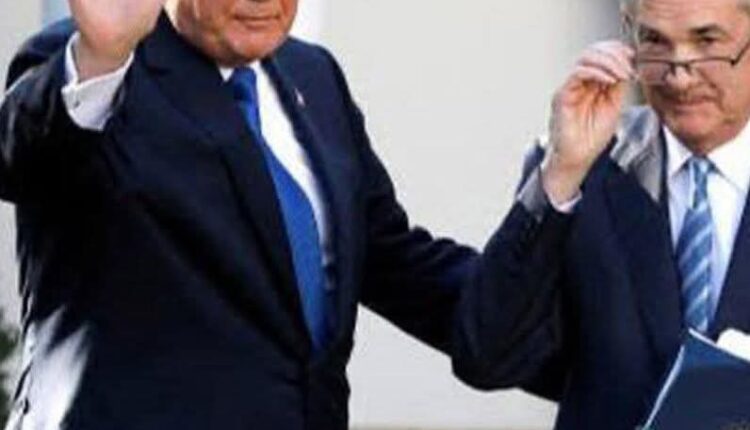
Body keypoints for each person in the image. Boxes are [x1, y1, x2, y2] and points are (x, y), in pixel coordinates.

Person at [0, 0, 551, 429]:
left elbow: (401, 267)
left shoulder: (314, 76)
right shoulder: (96, 64)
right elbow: (22, 159)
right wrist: (99, 59)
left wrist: (555, 189)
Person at [456, 0, 750, 428]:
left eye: (706, 41)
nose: (679, 76)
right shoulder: (586, 167)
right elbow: (487, 355)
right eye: (654, 42)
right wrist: (562, 173)